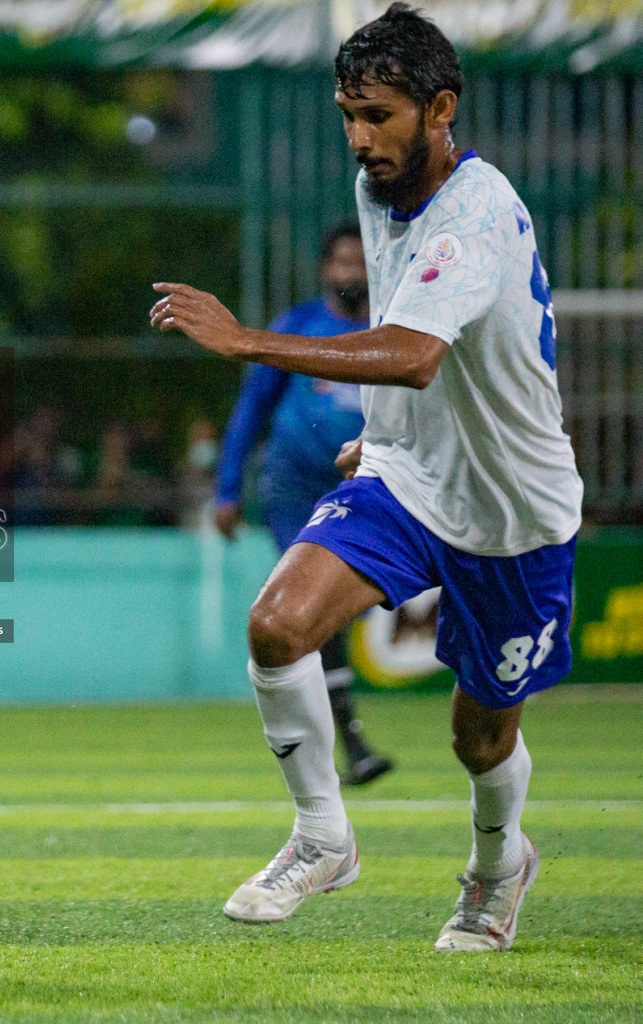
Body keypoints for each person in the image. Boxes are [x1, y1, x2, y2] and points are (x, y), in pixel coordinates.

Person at [150, 3, 579, 952]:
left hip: (514, 506)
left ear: (440, 108)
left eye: (377, 115)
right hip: (407, 474)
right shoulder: (376, 187)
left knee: (480, 738)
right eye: (347, 112)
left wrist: (245, 340)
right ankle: (321, 836)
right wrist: (386, 436)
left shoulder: (473, 213)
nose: (359, 137)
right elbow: (412, 349)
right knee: (276, 625)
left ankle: (499, 866)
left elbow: (419, 351)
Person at [213, 223, 394, 786]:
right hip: (293, 488)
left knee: (335, 611)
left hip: (364, 489)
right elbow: (251, 409)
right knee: (314, 608)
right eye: (342, 261)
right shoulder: (299, 329)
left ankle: (336, 739)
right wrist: (227, 488)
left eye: (361, 262)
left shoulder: (392, 334)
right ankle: (349, 744)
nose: (352, 273)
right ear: (325, 269)